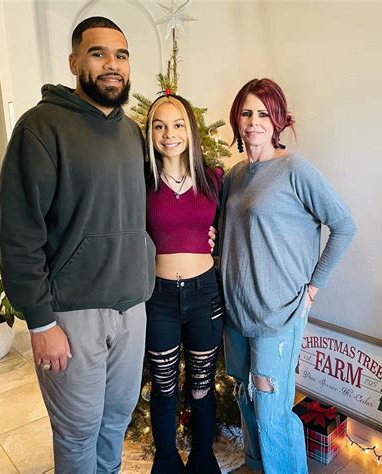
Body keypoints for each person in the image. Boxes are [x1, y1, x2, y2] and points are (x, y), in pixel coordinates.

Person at [0, 17, 156, 473]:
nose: (112, 64)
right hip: (72, 315)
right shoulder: (40, 127)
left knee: (116, 422)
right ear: (74, 62)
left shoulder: (130, 132)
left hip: (131, 309)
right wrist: (40, 322)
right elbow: (19, 232)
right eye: (98, 53)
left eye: (121, 55)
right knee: (77, 432)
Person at [219, 78, 356, 474]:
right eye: (247, 113)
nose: (254, 122)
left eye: (264, 114)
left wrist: (313, 287)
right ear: (237, 119)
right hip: (236, 313)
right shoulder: (234, 176)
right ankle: (256, 466)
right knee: (246, 399)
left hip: (278, 314)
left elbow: (343, 225)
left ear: (278, 120)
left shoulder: (295, 169)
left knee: (271, 409)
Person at [144, 94, 224, 474]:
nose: (169, 134)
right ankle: (166, 463)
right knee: (163, 389)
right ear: (150, 134)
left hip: (204, 296)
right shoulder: (143, 182)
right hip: (158, 299)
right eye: (159, 126)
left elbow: (229, 228)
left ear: (190, 130)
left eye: (177, 125)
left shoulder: (213, 179)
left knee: (201, 387)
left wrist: (216, 238)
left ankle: (202, 461)